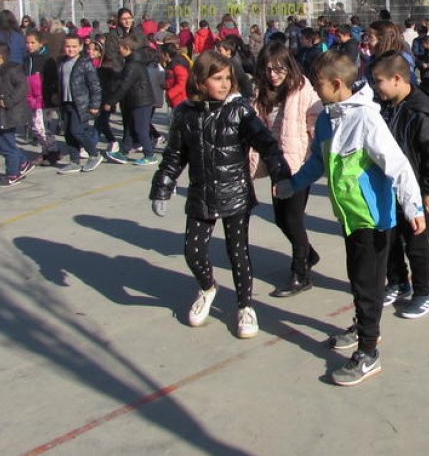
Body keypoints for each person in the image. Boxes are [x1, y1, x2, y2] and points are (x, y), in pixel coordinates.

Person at [276, 50, 426, 387]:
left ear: (336, 84)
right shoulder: (328, 119)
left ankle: (368, 354)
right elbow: (318, 162)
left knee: (368, 286)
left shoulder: (366, 119)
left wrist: (413, 206)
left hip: (372, 220)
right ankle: (363, 328)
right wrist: (293, 184)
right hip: (349, 218)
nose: (314, 91)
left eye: (318, 85)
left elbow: (398, 165)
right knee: (358, 279)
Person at [150, 51, 292, 339]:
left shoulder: (239, 111)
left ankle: (245, 306)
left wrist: (281, 173)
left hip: (234, 193)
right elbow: (174, 156)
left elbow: (267, 144)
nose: (225, 83)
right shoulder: (185, 114)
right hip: (201, 194)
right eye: (217, 78)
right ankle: (207, 288)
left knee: (237, 253)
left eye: (228, 78)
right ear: (201, 81)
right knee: (193, 252)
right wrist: (163, 186)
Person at [372, 51, 429, 319]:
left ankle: (424, 293)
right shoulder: (385, 106)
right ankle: (398, 281)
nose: (376, 88)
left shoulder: (421, 110)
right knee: (390, 239)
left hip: (417, 191)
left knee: (416, 244)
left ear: (396, 79)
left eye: (379, 81)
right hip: (391, 188)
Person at [248, 41, 324, 297]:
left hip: (299, 164)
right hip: (276, 164)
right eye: (268, 69)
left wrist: (314, 158)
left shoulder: (303, 89)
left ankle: (300, 273)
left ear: (289, 66)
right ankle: (308, 253)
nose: (273, 74)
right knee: (281, 218)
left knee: (292, 218)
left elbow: (316, 122)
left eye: (279, 69)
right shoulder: (261, 91)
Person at [0, 42, 35, 188]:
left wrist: (8, 101)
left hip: (8, 112)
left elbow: (22, 87)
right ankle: (23, 163)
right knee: (1, 142)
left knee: (7, 144)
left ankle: (13, 174)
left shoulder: (12, 69)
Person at [103, 37, 158, 166]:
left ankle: (150, 154)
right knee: (129, 128)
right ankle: (124, 151)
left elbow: (124, 85)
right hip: (134, 101)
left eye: (120, 48)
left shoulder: (133, 65)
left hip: (141, 101)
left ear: (127, 48)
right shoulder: (131, 61)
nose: (119, 50)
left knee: (140, 129)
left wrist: (111, 101)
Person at [55, 34, 104, 174]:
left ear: (81, 47)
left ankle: (94, 154)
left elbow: (95, 85)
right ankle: (74, 161)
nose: (71, 49)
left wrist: (95, 105)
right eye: (68, 46)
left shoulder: (85, 63)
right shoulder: (61, 62)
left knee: (77, 131)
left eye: (74, 46)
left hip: (80, 104)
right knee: (68, 133)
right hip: (66, 102)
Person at [23, 30, 60, 165]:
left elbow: (53, 79)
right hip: (31, 97)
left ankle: (53, 151)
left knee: (41, 126)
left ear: (40, 43)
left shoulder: (46, 59)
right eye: (27, 43)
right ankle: (46, 150)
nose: (30, 45)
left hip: (44, 98)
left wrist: (53, 96)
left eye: (33, 43)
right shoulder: (26, 59)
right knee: (35, 127)